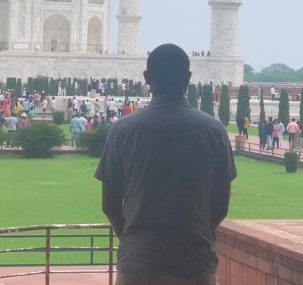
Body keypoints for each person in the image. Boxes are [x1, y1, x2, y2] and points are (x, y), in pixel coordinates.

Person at [96, 43, 235, 285]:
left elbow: (110, 205)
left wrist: (133, 240)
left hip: (139, 264)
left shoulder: (123, 130)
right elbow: (220, 205)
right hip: (195, 265)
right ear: (188, 78)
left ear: (147, 78)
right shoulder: (214, 131)